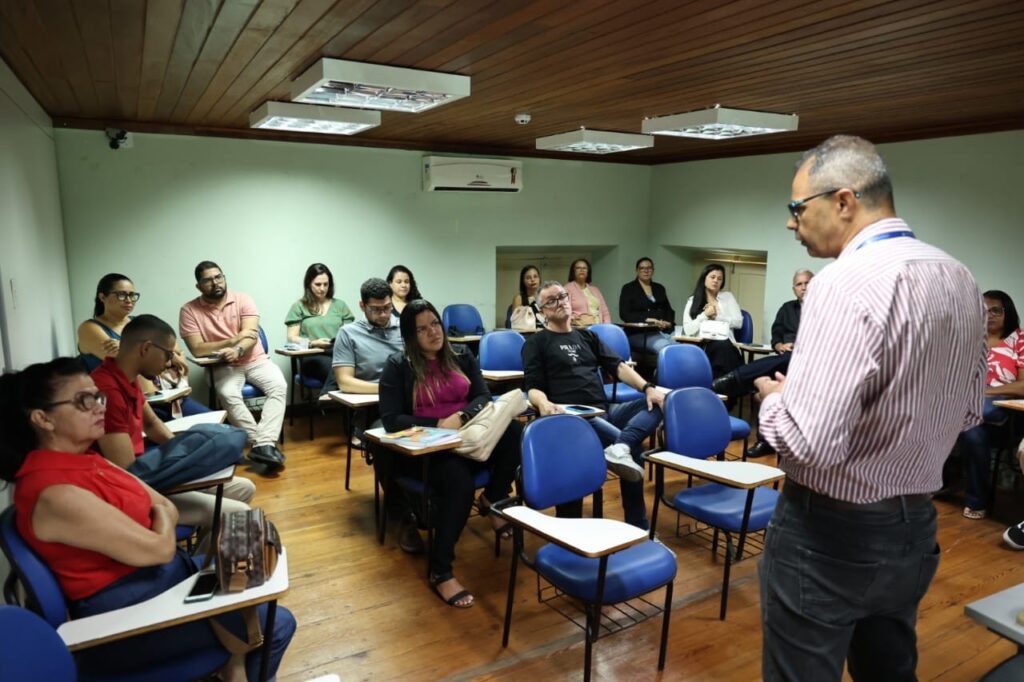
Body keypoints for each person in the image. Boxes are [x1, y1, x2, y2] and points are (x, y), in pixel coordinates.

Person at [754, 135, 985, 681]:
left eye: (796, 208)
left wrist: (775, 402)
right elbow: (969, 411)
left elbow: (810, 443)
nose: (791, 223)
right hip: (913, 525)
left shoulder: (844, 283)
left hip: (829, 530)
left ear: (843, 200)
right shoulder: (959, 276)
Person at [0, 358, 295, 681]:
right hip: (126, 618)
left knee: (249, 580)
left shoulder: (85, 459)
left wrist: (160, 524)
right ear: (43, 419)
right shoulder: (54, 492)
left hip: (161, 582)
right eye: (84, 401)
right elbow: (159, 548)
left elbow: (164, 508)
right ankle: (229, 666)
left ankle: (230, 665)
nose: (100, 407)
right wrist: (159, 525)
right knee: (276, 624)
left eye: (99, 397)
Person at [379, 299, 522, 608]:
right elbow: (391, 418)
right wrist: (437, 424)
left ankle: (493, 498)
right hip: (429, 448)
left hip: (468, 436)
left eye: (435, 323)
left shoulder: (461, 355)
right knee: (460, 484)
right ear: (409, 336)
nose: (433, 332)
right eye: (422, 329)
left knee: (515, 433)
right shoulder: (398, 365)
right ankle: (441, 571)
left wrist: (463, 417)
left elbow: (482, 394)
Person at [91, 314, 255, 541]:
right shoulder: (108, 389)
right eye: (167, 354)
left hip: (147, 478)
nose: (169, 362)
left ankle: (205, 554)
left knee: (245, 488)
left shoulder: (126, 378)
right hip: (129, 493)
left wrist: (186, 458)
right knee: (239, 513)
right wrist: (182, 474)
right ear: (146, 348)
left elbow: (152, 423)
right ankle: (205, 572)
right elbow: (127, 473)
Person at [523, 280, 664, 529]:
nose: (561, 302)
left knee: (660, 402)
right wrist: (543, 403)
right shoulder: (536, 343)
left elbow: (619, 367)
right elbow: (532, 386)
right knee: (633, 455)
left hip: (604, 411)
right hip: (572, 419)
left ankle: (619, 446)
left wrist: (648, 388)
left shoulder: (587, 336)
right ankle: (639, 527)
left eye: (563, 296)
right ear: (542, 310)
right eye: (552, 300)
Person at [327, 278, 421, 552]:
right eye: (376, 309)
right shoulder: (349, 333)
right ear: (362, 306)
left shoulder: (403, 326)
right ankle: (404, 517)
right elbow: (345, 381)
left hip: (413, 402)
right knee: (388, 443)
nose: (383, 315)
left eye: (387, 308)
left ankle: (433, 499)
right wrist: (388, 389)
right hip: (374, 408)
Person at [179, 261, 287, 469]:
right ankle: (262, 444)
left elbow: (250, 336)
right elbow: (197, 349)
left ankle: (261, 444)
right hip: (221, 365)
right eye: (208, 280)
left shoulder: (243, 299)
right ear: (198, 286)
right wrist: (231, 341)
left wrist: (237, 349)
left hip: (255, 359)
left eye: (218, 277)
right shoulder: (189, 310)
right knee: (228, 393)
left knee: (279, 386)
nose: (215, 282)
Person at [713, 269, 814, 458]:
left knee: (790, 357)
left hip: (809, 363)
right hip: (785, 360)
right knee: (763, 380)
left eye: (807, 283)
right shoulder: (787, 309)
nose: (804, 287)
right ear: (794, 289)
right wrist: (779, 344)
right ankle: (765, 440)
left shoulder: (824, 308)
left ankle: (733, 379)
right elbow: (776, 334)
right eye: (799, 284)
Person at [78, 273, 206, 419]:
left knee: (216, 423)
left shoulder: (138, 323)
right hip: (127, 401)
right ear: (102, 297)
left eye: (132, 295)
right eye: (121, 295)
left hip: (168, 394)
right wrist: (165, 356)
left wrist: (169, 355)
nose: (129, 300)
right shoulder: (89, 328)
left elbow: (174, 348)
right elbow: (129, 361)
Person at [958, 290, 1023, 519]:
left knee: (981, 409)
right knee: (973, 432)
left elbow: (1022, 386)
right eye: (984, 310)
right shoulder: (970, 340)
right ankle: (976, 502)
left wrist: (984, 391)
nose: (990, 314)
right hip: (970, 413)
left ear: (1008, 312)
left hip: (1005, 412)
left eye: (996, 309)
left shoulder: (1019, 340)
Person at [285, 263, 355, 383]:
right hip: (311, 356)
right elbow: (292, 338)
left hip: (338, 354)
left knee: (361, 367)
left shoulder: (340, 305)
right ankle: (327, 401)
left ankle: (326, 399)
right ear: (309, 284)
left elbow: (349, 334)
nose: (322, 288)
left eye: (326, 284)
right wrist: (312, 343)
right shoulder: (299, 307)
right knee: (338, 371)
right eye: (318, 284)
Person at [681, 263, 744, 378]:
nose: (716, 281)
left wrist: (717, 317)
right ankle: (729, 384)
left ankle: (722, 385)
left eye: (720, 279)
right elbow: (688, 330)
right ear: (704, 278)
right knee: (722, 349)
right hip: (704, 344)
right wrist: (704, 315)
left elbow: (739, 322)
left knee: (724, 347)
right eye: (712, 277)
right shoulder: (693, 300)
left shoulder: (728, 297)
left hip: (727, 342)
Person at [618, 257, 675, 356]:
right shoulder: (628, 288)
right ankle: (660, 372)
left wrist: (668, 323)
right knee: (666, 348)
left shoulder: (659, 288)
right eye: (642, 268)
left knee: (680, 347)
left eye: (649, 268)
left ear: (653, 271)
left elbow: (668, 310)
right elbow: (625, 314)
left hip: (660, 331)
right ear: (637, 270)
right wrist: (648, 319)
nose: (646, 271)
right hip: (638, 333)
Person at [565, 258, 611, 327]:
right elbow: (564, 312)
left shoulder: (595, 290)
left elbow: (605, 312)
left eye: (584, 268)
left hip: (599, 327)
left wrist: (608, 327)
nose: (582, 270)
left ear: (588, 272)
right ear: (573, 271)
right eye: (578, 268)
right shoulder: (567, 289)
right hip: (579, 329)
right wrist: (574, 318)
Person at [510, 264, 543, 328]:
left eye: (535, 276)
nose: (532, 280)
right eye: (528, 278)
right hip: (527, 333)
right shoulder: (519, 298)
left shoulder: (546, 296)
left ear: (539, 279)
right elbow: (516, 322)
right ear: (523, 281)